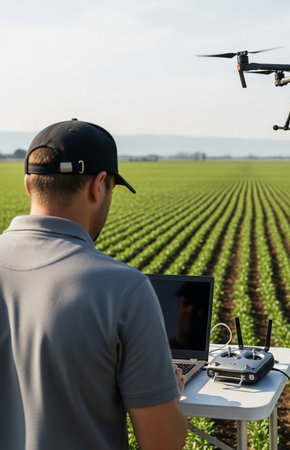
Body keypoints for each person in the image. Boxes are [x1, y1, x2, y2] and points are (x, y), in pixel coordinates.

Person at [0, 119, 187, 449]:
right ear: (98, 185)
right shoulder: (123, 289)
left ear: (29, 186)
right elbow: (163, 443)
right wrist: (166, 393)